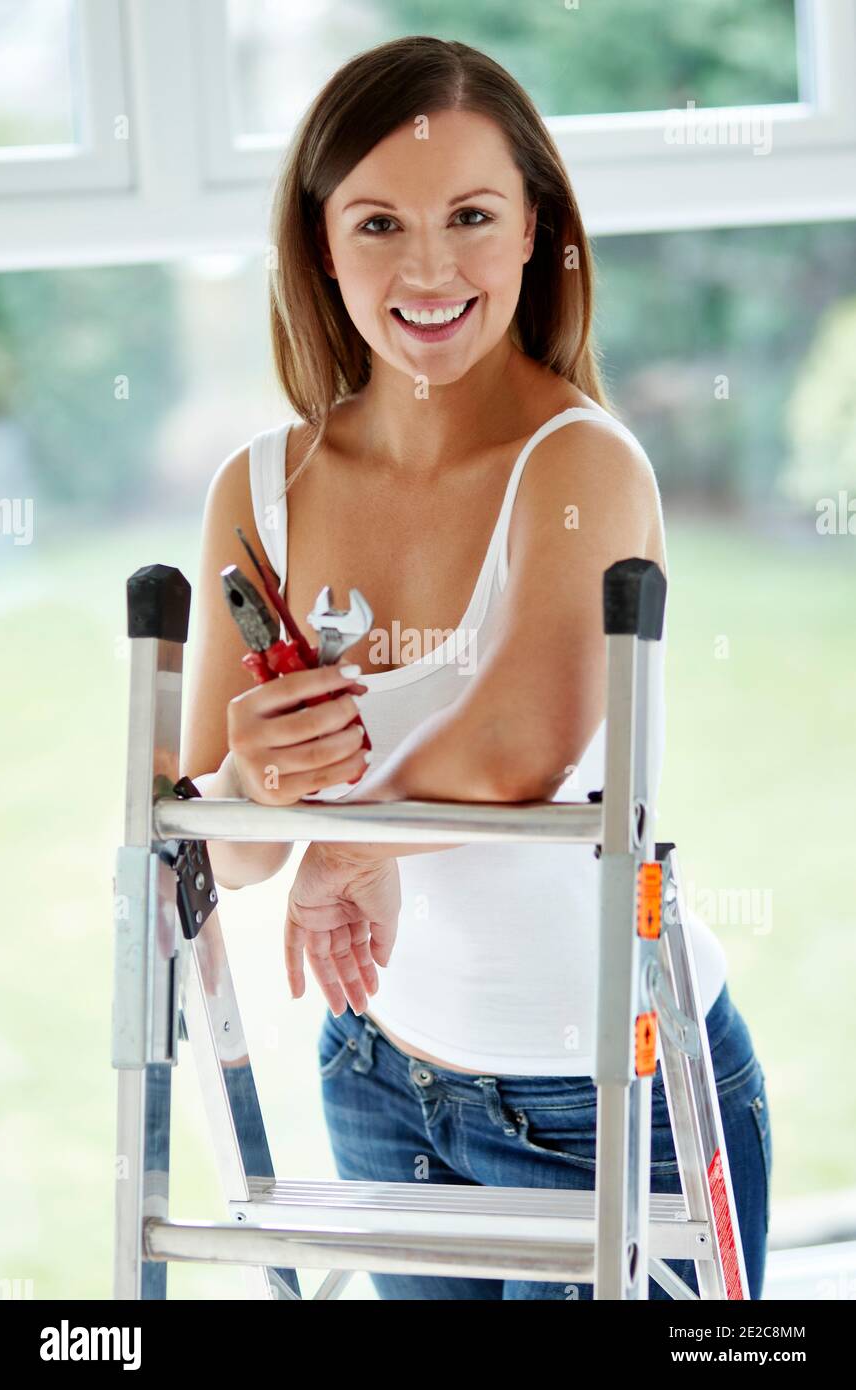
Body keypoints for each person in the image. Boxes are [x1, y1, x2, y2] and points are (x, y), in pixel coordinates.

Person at [180, 35, 772, 1300]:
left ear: (532, 235)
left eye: (470, 216)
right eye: (380, 222)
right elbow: (205, 848)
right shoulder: (259, 492)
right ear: (320, 241)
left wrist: (351, 846)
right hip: (383, 1082)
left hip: (618, 1091)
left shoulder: (580, 464)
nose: (430, 267)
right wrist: (253, 774)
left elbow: (520, 743)